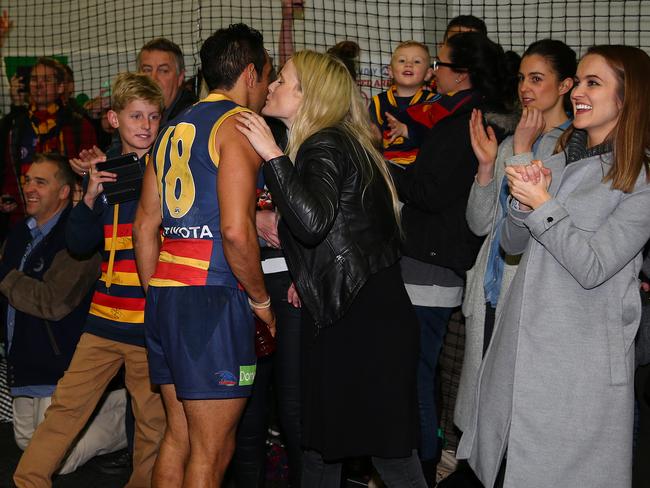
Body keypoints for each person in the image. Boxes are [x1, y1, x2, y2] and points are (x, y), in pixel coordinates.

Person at [456, 45, 650, 488]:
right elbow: (510, 242)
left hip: (575, 365)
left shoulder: (640, 180)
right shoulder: (557, 161)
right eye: (578, 81)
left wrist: (542, 203)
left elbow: (593, 266)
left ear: (627, 96)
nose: (578, 91)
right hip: (520, 351)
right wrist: (525, 201)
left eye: (593, 83)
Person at [236, 49, 426, 488]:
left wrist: (270, 153)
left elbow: (312, 222)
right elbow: (355, 230)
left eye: (283, 80)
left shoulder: (324, 143)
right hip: (361, 308)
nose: (274, 86)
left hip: (362, 319)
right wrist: (312, 274)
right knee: (323, 446)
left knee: (384, 452)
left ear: (308, 95)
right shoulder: (342, 141)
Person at [132, 24, 275, 487]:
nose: (269, 87)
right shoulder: (237, 127)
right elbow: (236, 231)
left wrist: (157, 291)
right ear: (250, 73)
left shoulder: (174, 126)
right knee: (212, 452)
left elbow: (144, 226)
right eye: (268, 76)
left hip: (166, 297)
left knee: (178, 437)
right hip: (212, 300)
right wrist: (261, 302)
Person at [13, 72, 166, 488]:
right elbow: (80, 244)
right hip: (101, 323)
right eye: (136, 116)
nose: (145, 126)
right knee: (65, 409)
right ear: (114, 119)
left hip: (147, 323)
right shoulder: (104, 171)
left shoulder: (168, 171)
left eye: (153, 117)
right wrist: (88, 196)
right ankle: (29, 481)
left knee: (152, 423)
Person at [388, 32, 517, 486]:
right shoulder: (460, 117)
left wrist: (379, 168)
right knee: (417, 370)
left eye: (439, 63)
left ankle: (419, 469)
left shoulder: (467, 121)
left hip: (432, 264)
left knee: (417, 374)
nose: (433, 71)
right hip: (432, 261)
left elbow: (430, 191)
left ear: (460, 73)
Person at [455, 39, 576, 433]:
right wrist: (488, 168)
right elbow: (480, 224)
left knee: (518, 417)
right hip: (490, 291)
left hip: (529, 299)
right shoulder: (509, 142)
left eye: (537, 78)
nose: (525, 87)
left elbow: (546, 228)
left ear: (564, 86)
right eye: (523, 78)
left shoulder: (574, 148)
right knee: (482, 411)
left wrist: (523, 149)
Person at [1, 153, 127, 473]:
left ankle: (125, 416)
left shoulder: (77, 240)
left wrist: (4, 275)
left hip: (60, 369)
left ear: (64, 192)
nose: (29, 187)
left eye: (40, 182)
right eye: (28, 180)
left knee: (57, 460)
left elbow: (53, 303)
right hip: (23, 365)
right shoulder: (18, 234)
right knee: (26, 445)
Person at [0, 57, 97, 236]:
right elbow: (9, 173)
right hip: (22, 220)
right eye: (35, 79)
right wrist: (8, 197)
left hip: (67, 220)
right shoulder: (16, 126)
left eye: (47, 80)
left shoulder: (78, 126)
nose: (39, 85)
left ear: (61, 87)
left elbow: (90, 174)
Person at [369, 41, 437, 166]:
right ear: (390, 71)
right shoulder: (378, 102)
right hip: (387, 169)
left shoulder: (433, 102)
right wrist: (371, 135)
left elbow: (437, 140)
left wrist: (406, 131)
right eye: (402, 61)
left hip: (421, 169)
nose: (408, 64)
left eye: (416, 61)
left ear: (428, 74)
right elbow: (372, 141)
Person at [137, 37, 197, 126]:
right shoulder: (127, 116)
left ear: (180, 77)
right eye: (147, 70)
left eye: (163, 71)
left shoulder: (191, 119)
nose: (153, 78)